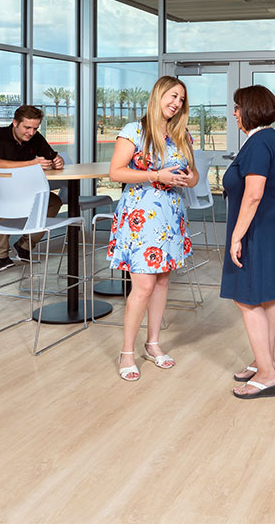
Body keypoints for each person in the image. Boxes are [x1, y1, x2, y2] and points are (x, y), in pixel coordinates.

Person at [107, 76, 198, 381]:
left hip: (170, 215)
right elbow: (115, 172)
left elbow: (195, 175)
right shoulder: (134, 131)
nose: (177, 103)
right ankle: (127, 352)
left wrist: (189, 180)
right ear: (158, 95)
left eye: (181, 99)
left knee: (161, 283)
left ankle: (153, 344)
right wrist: (156, 175)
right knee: (144, 286)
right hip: (141, 216)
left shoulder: (182, 134)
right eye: (173, 96)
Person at [222, 85, 275, 400]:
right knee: (267, 296)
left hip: (256, 230)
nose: (234, 113)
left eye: (237, 107)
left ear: (250, 109)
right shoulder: (268, 138)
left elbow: (253, 194)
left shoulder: (258, 143)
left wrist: (236, 236)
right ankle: (266, 360)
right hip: (269, 227)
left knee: (247, 298)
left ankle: (266, 375)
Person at [0, 104, 65, 271]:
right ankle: (1, 256)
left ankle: (24, 246)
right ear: (15, 123)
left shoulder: (35, 138)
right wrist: (32, 163)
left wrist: (58, 161)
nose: (31, 132)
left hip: (23, 191)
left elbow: (52, 156)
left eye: (35, 128)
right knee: (1, 202)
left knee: (53, 202)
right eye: (27, 127)